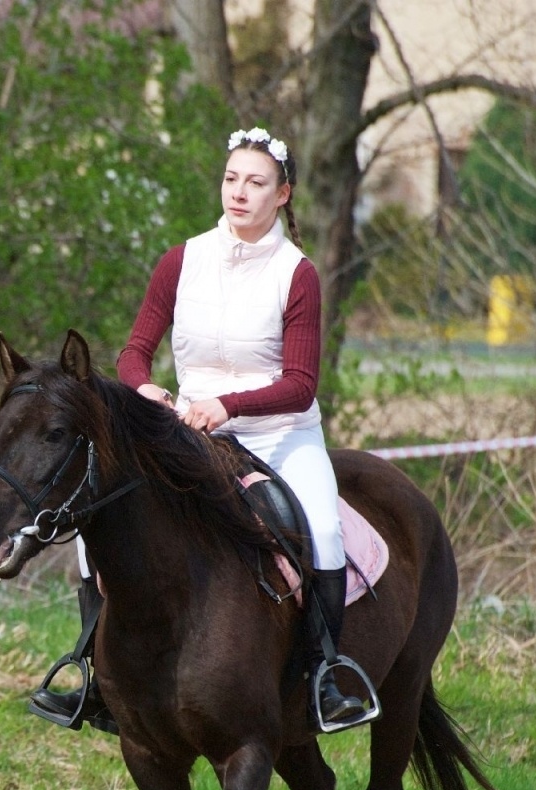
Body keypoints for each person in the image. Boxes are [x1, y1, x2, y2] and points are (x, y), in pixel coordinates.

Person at [29, 126, 368, 733]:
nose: (239, 192)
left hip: (280, 435)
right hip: (187, 429)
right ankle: (93, 673)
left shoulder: (297, 274)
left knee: (322, 529)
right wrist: (144, 389)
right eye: (232, 178)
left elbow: (300, 384)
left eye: (256, 183)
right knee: (93, 526)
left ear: (282, 194)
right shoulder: (181, 260)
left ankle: (326, 674)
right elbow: (133, 353)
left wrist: (227, 406)